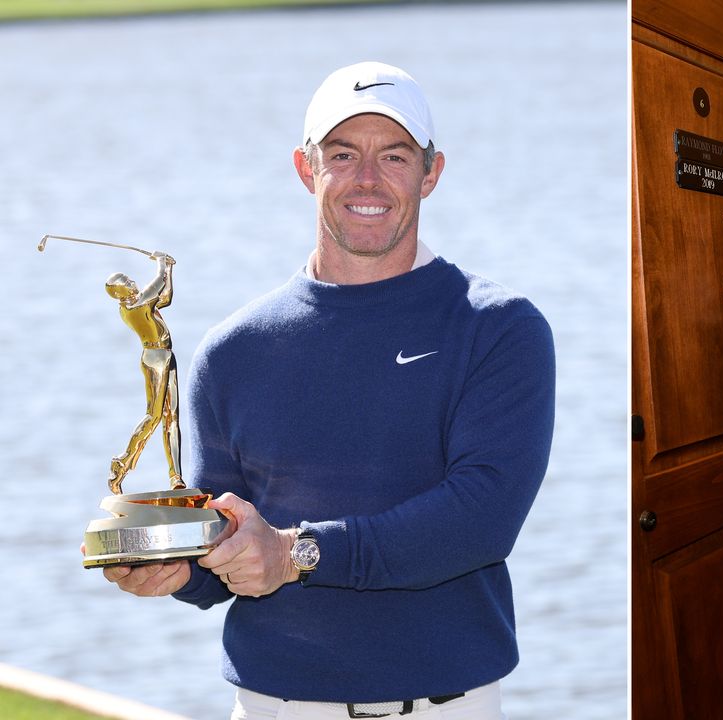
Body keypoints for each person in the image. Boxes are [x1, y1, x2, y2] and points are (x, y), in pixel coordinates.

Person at [98, 61, 555, 720]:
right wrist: (171, 565)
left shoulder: (497, 329)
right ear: (306, 168)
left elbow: (479, 520)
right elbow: (224, 545)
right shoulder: (233, 350)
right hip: (274, 706)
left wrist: (294, 554)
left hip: (446, 706)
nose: (367, 179)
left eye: (394, 155)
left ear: (432, 172)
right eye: (342, 154)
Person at [105, 252, 184, 494]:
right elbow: (158, 282)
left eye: (128, 279)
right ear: (120, 294)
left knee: (172, 417)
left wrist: (169, 268)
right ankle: (122, 464)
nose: (131, 282)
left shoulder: (141, 301)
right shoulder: (133, 307)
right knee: (153, 418)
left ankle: (176, 476)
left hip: (167, 355)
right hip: (155, 359)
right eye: (125, 283)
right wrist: (161, 262)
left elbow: (166, 296)